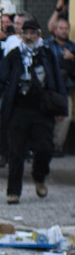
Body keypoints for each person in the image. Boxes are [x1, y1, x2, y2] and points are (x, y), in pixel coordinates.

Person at [0, 18, 67, 204]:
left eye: (33, 33)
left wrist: (62, 107)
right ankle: (13, 191)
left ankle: (39, 176)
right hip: (19, 108)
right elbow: (0, 81)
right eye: (26, 33)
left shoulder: (47, 54)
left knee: (45, 148)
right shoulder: (14, 55)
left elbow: (57, 81)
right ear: (21, 35)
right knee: (16, 151)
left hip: (43, 108)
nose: (29, 37)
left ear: (39, 35)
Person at [47, 17, 75, 154]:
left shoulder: (72, 46)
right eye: (61, 28)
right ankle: (44, 145)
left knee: (66, 117)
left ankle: (55, 146)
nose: (64, 31)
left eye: (66, 29)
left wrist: (72, 57)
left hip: (66, 88)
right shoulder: (47, 45)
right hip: (50, 87)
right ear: (55, 30)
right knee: (49, 115)